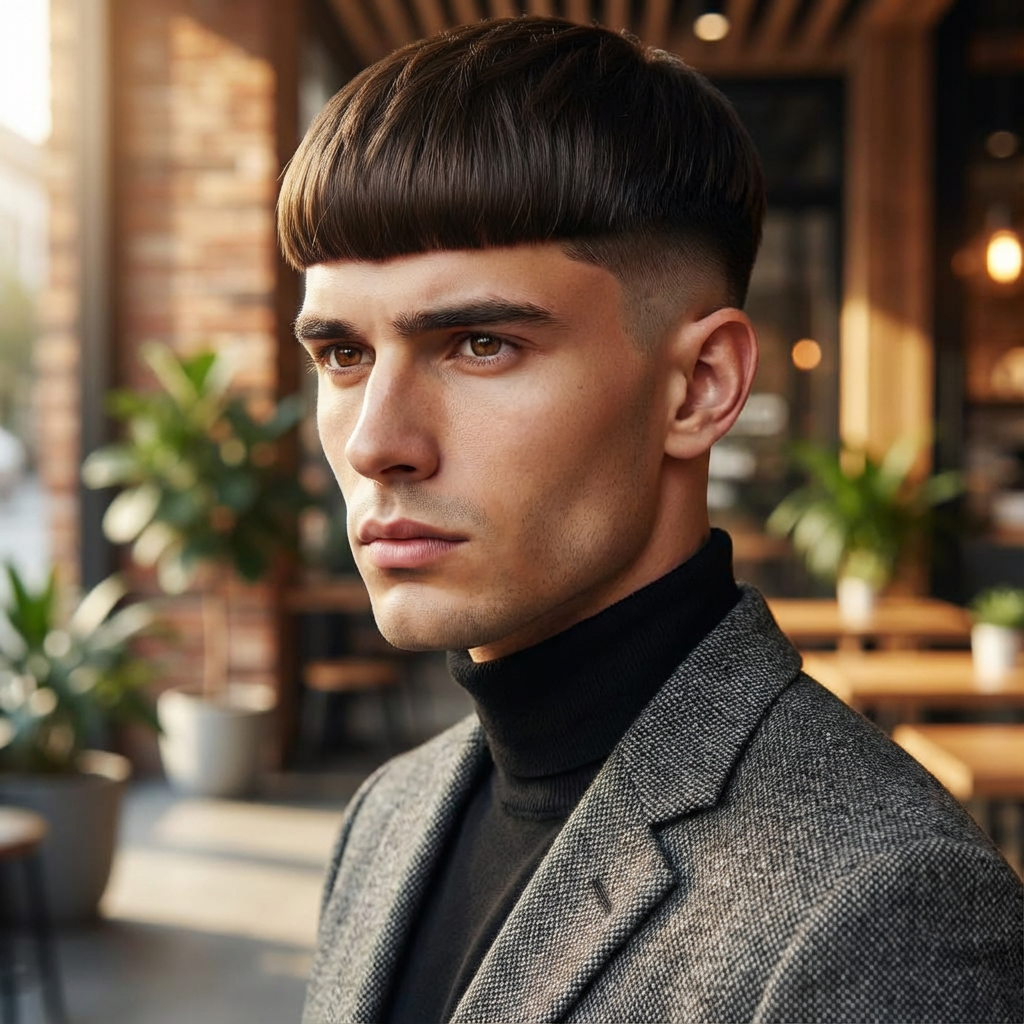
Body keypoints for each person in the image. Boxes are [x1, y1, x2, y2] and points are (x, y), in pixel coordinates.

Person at [278, 17, 1023, 1024]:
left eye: (480, 343)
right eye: (343, 355)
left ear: (698, 387)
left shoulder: (877, 900)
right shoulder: (388, 814)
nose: (375, 443)